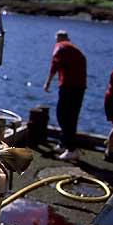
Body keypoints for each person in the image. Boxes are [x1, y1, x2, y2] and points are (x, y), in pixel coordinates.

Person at [43, 30, 87, 161]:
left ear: (58, 39)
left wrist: (48, 82)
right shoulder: (74, 49)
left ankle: (71, 149)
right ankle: (64, 143)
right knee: (71, 116)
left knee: (63, 115)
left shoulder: (60, 47)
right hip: (80, 86)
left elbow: (54, 65)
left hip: (69, 86)